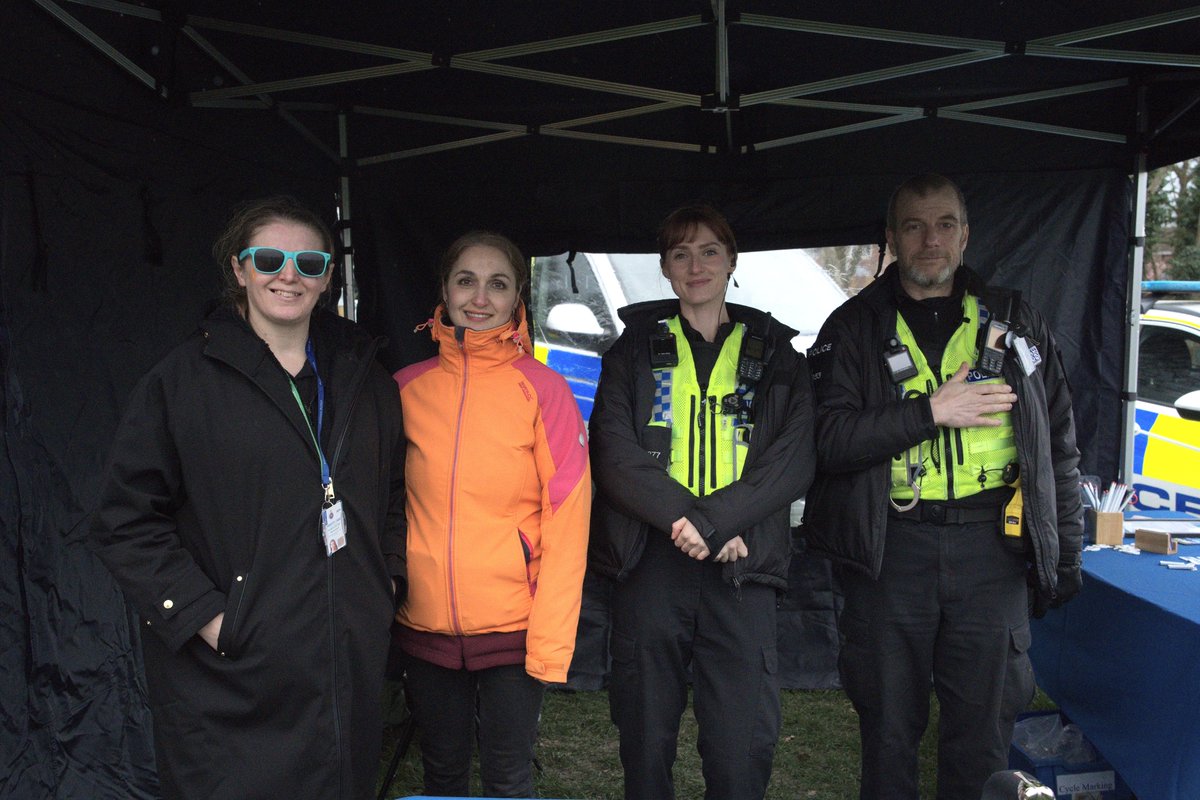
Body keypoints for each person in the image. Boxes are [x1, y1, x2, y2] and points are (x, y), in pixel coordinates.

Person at [91, 195, 407, 799]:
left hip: (345, 656)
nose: (288, 275)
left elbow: (394, 493)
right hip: (232, 673)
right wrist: (207, 619)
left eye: (308, 263)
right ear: (239, 269)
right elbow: (124, 520)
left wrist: (384, 582)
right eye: (269, 258)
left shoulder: (368, 380)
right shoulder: (181, 381)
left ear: (327, 279)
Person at [803, 173, 1084, 800]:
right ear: (891, 238)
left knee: (982, 735)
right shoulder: (852, 327)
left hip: (992, 552)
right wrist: (929, 411)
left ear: (965, 235)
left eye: (945, 224)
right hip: (889, 552)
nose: (931, 240)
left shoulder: (1016, 320)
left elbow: (1057, 443)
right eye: (914, 226)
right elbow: (827, 441)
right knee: (888, 733)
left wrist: (1063, 551)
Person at [588, 204, 815, 800]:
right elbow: (614, 455)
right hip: (653, 565)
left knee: (741, 747)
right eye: (681, 254)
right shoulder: (632, 350)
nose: (696, 265)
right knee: (644, 739)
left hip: (742, 567)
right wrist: (690, 522)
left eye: (710, 250)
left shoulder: (777, 354)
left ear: (732, 261)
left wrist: (717, 524)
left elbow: (793, 458)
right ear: (664, 267)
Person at [392, 231, 591, 797]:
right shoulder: (405, 389)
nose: (480, 297)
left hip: (514, 629)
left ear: (517, 298)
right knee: (443, 776)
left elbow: (569, 520)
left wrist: (549, 646)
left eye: (497, 284)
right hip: (423, 625)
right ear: (445, 290)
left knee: (508, 778)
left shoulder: (545, 391)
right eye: (466, 280)